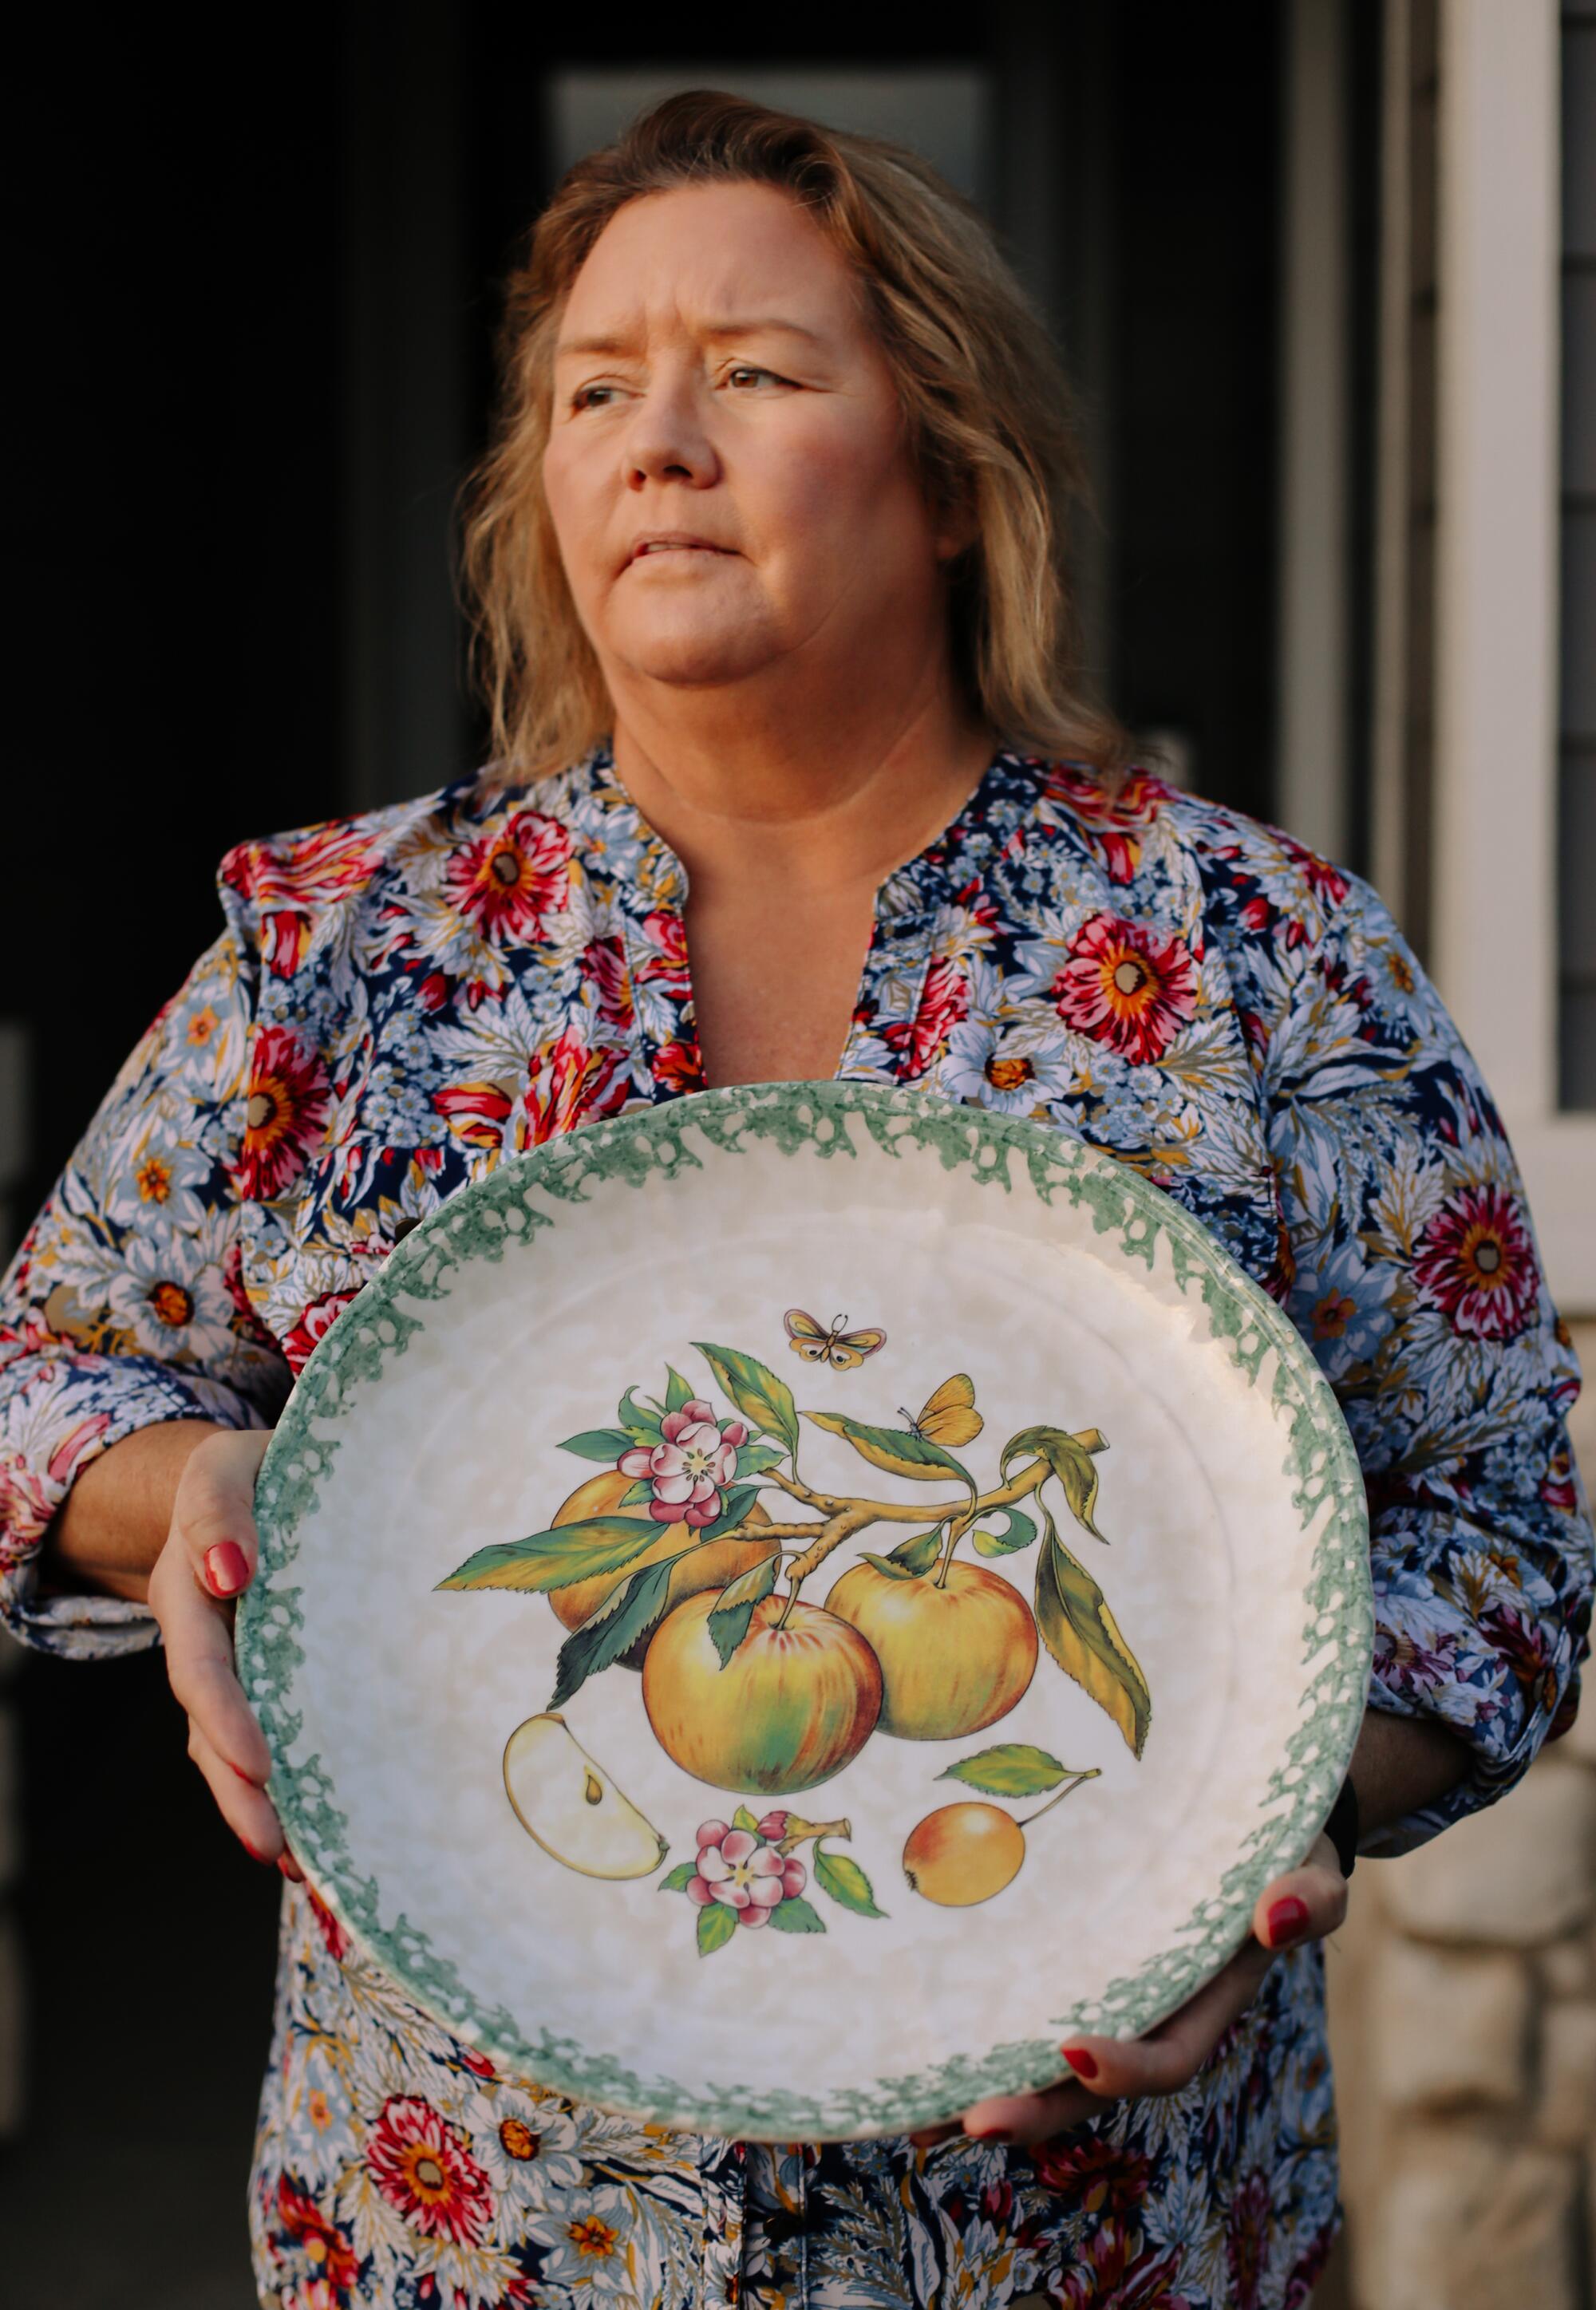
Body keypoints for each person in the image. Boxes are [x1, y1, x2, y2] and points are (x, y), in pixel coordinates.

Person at [1, 89, 1590, 2310]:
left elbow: (1503, 1529)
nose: (657, 438)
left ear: (948, 470)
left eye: (751, 371)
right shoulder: (343, 957)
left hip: (1095, 2244)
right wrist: (202, 1486)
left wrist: (1275, 1820)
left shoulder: (1255, 959)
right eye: (591, 390)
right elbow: (43, 1375)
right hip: (482, 2239)